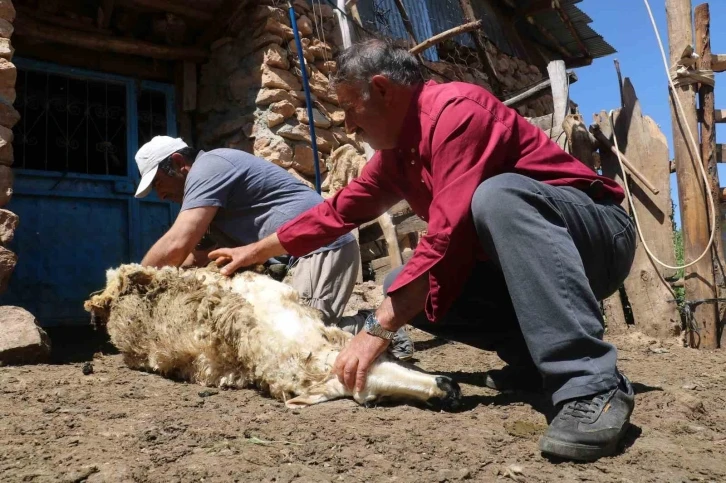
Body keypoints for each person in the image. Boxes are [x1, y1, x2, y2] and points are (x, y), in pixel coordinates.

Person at [206, 40, 637, 462]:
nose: (349, 125)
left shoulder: (458, 112)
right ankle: (532, 361)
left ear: (382, 89)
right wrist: (252, 251)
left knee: (498, 198)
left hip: (596, 239)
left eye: (349, 107)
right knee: (403, 284)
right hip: (524, 264)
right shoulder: (398, 154)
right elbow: (336, 213)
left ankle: (591, 385)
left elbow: (448, 235)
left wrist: (378, 329)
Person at [133, 136, 414, 360]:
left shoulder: (209, 168)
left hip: (321, 247)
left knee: (297, 337)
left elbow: (178, 243)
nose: (161, 194)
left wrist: (132, 285)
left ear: (178, 161)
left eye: (159, 182)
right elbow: (194, 256)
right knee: (266, 333)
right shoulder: (207, 196)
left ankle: (377, 327)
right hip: (299, 258)